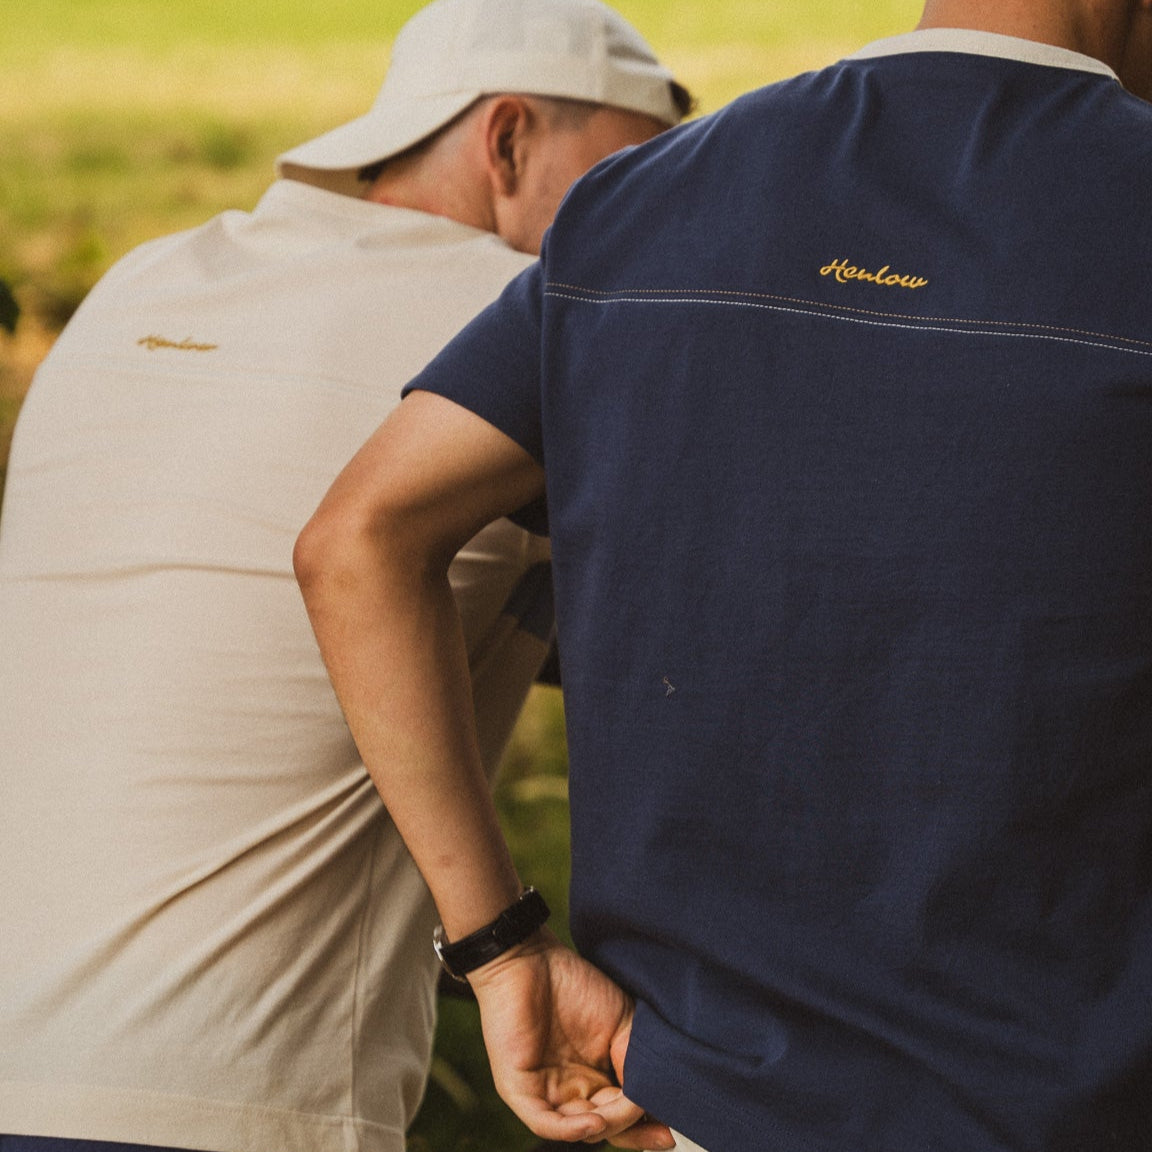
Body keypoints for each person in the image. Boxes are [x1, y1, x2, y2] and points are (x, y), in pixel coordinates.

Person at [294, 0, 1152, 1149]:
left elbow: (358, 537)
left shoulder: (638, 203)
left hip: (692, 1101)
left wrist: (498, 950)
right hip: (1059, 1106)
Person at [0, 3, 689, 1151]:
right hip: (225, 1096)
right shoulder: (524, 322)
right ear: (505, 140)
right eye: (627, 177)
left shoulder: (144, 283)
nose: (657, 224)